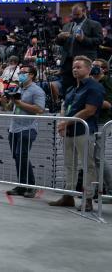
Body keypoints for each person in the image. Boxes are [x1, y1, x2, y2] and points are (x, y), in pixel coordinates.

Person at [49, 56, 102, 211]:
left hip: (84, 131)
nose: (75, 70)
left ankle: (88, 199)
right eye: (73, 67)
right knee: (69, 165)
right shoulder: (72, 88)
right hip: (70, 131)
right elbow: (66, 106)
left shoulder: (94, 87)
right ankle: (68, 196)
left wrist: (66, 122)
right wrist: (62, 123)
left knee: (88, 166)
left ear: (88, 69)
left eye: (79, 67)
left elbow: (89, 110)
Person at [0, 64, 46, 198]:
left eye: (24, 72)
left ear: (31, 75)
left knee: (22, 155)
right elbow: (9, 107)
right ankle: (22, 185)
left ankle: (31, 186)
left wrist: (20, 104)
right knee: (17, 156)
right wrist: (4, 100)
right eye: (20, 72)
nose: (20, 74)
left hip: (28, 128)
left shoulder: (37, 91)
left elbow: (40, 109)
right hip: (14, 128)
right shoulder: (18, 88)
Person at [55, 4, 102, 93]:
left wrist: (83, 39)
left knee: (83, 87)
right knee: (66, 87)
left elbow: (99, 41)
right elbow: (59, 43)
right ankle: (67, 104)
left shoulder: (94, 24)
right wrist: (59, 37)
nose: (75, 17)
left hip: (84, 61)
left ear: (84, 12)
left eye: (77, 15)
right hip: (67, 62)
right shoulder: (67, 26)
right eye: (73, 14)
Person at [90, 59, 112, 195]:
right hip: (92, 121)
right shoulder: (91, 82)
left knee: (98, 156)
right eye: (91, 65)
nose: (93, 68)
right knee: (93, 157)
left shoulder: (108, 82)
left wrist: (90, 99)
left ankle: (110, 187)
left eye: (96, 66)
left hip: (104, 122)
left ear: (104, 69)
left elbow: (108, 104)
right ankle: (99, 189)